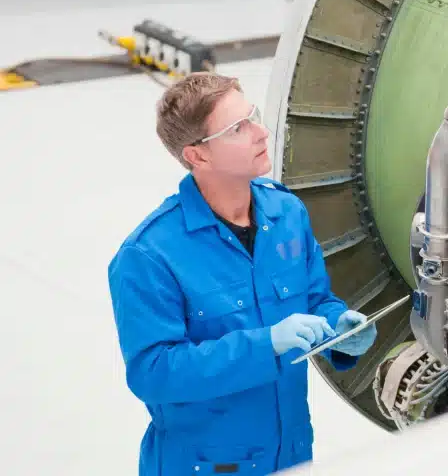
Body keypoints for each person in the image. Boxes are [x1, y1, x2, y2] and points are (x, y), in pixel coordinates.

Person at [108, 72, 377, 475]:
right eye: (239, 128)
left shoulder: (286, 214)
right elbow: (154, 372)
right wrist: (265, 344)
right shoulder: (148, 255)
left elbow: (316, 298)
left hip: (291, 452)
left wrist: (339, 327)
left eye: (253, 116)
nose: (261, 133)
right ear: (197, 156)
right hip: (206, 465)